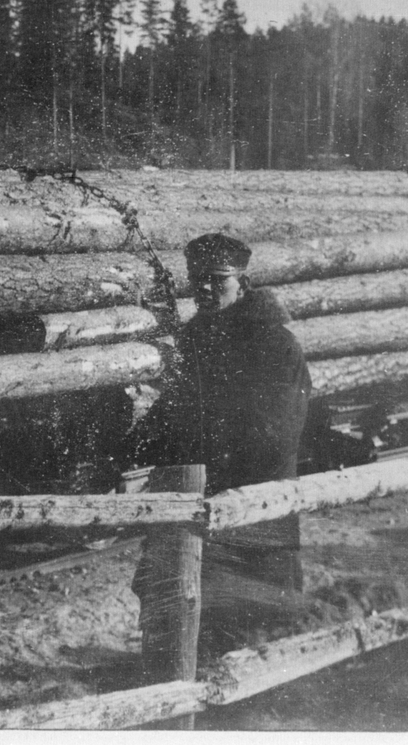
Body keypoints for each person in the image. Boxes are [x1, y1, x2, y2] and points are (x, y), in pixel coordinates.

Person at [125, 232, 312, 650]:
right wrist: (133, 444)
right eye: (198, 281)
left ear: (243, 285)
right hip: (200, 495)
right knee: (182, 609)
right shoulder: (197, 338)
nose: (205, 289)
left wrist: (198, 443)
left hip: (255, 505)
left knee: (255, 623)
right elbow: (175, 406)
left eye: (217, 280)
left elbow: (274, 435)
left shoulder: (275, 345)